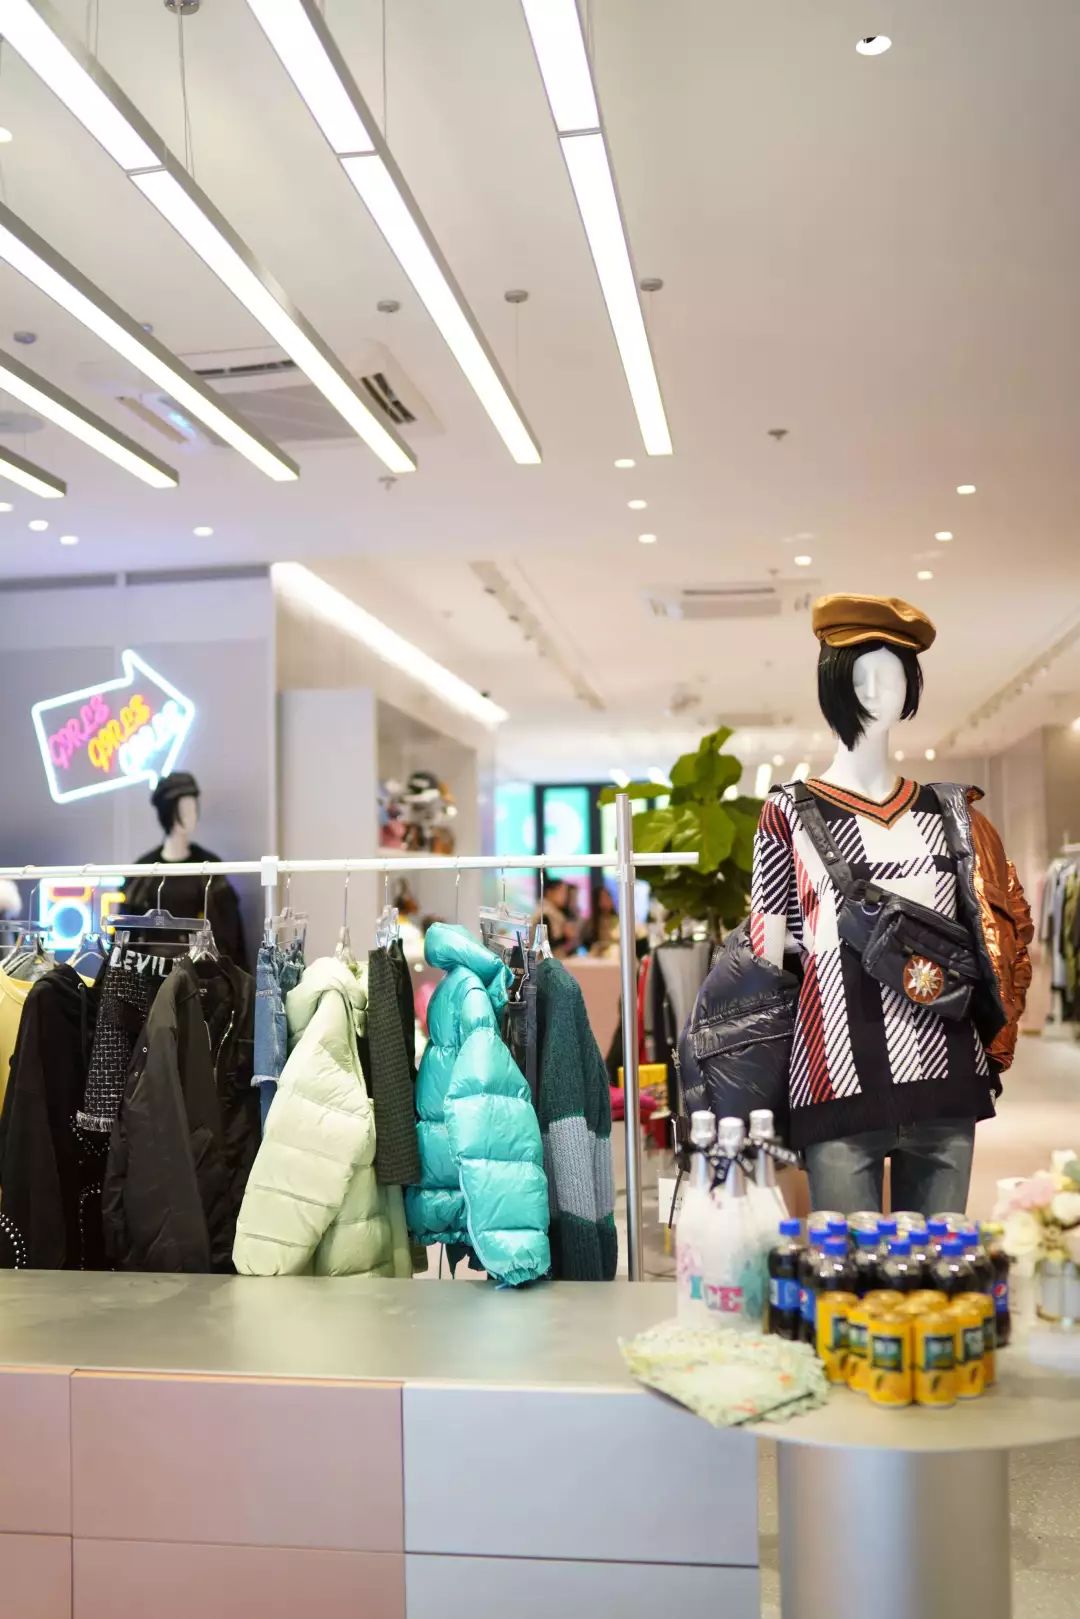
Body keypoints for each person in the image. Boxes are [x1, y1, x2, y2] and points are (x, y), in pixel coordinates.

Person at [534, 874, 578, 958]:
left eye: (566, 893)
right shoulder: (544, 913)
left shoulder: (554, 912)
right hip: (545, 962)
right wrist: (565, 936)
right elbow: (543, 944)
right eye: (561, 892)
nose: (565, 897)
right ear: (549, 892)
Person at [582, 884, 619, 958]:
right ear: (597, 901)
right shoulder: (591, 922)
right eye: (603, 898)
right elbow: (586, 943)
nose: (608, 900)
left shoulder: (617, 919)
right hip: (598, 958)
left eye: (608, 896)